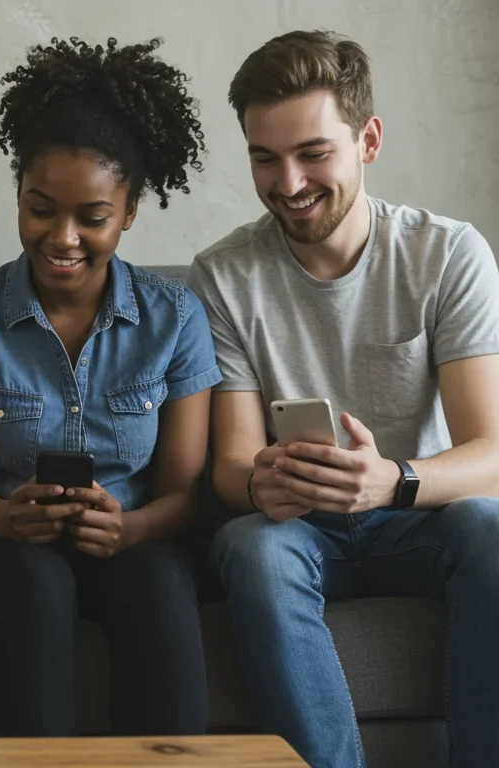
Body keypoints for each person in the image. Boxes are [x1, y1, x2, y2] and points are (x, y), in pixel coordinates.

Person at [188, 30, 499, 768]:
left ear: (369, 140)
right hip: (303, 530)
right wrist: (257, 480)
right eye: (265, 158)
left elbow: (491, 453)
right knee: (249, 547)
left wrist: (393, 479)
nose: (288, 182)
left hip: (415, 517)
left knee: (491, 528)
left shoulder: (447, 255)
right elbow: (230, 466)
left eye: (313, 154)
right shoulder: (222, 276)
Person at [0, 36, 218, 736]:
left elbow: (183, 494)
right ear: (19, 196)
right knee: (38, 579)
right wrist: (8, 518)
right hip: (6, 550)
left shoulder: (175, 317)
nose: (63, 237)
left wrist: (129, 529)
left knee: (159, 580)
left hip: (134, 541)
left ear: (130, 211)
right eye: (39, 208)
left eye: (92, 217)